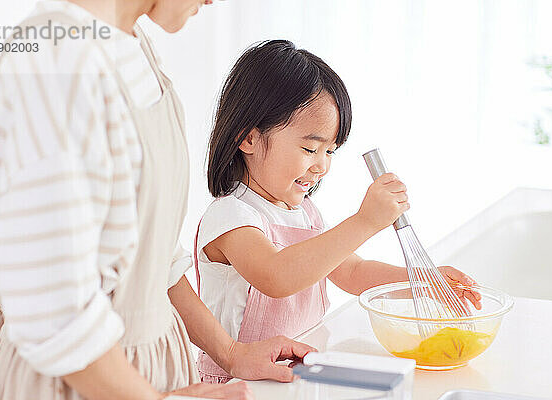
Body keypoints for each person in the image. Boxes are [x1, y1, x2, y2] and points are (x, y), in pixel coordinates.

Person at [0, 2, 315, 400]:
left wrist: (230, 353)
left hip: (147, 375)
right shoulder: (56, 55)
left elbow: (154, 257)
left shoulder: (133, 45)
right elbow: (53, 309)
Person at [194, 40, 482, 383]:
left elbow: (353, 272)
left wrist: (423, 280)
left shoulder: (305, 213)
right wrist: (365, 221)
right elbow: (276, 276)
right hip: (238, 384)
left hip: (298, 371)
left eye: (330, 151)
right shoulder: (231, 216)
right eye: (310, 148)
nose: (321, 166)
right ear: (249, 139)